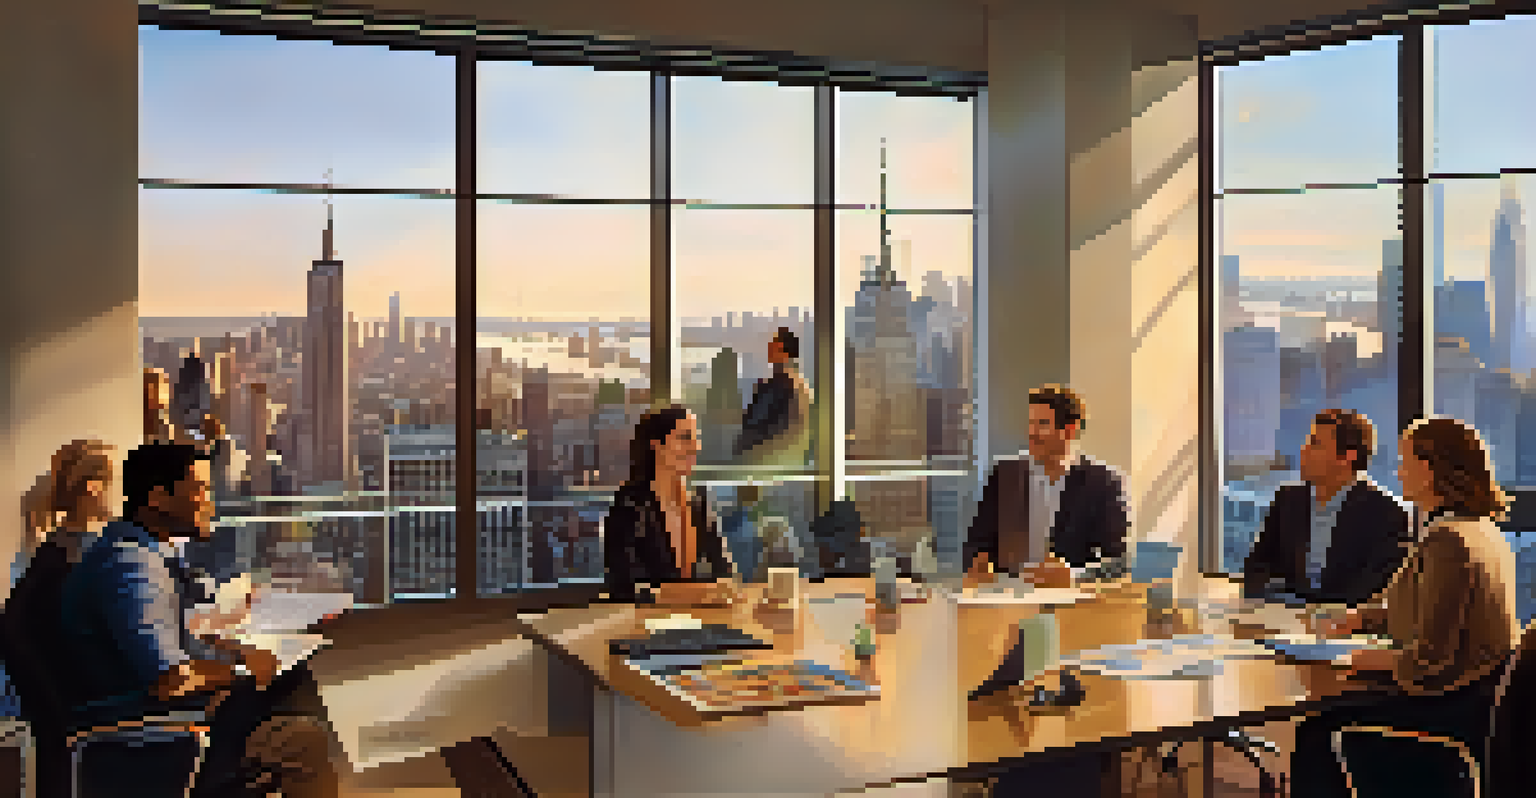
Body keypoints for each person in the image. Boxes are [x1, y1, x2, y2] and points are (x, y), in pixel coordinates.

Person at [58, 442, 338, 798]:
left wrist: (233, 641)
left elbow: (177, 626)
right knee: (306, 737)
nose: (210, 502)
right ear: (158, 497)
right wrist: (246, 670)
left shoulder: (146, 551)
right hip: (152, 732)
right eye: (201, 489)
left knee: (298, 690)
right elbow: (168, 679)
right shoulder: (132, 566)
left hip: (164, 717)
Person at [1291, 417, 1520, 798]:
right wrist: (1361, 618)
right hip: (1478, 700)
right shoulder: (1478, 530)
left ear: (1429, 472)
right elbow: (1421, 605)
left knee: (1318, 726)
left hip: (1453, 706)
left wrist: (1356, 660)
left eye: (1405, 460)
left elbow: (1429, 659)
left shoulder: (1448, 540)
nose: (1397, 471)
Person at [1242, 409, 1412, 606]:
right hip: (1283, 620)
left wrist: (1319, 615)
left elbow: (1376, 587)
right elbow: (1258, 566)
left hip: (1345, 626)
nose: (1303, 450)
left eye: (1315, 444)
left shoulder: (1386, 512)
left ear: (1347, 457)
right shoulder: (1288, 499)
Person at [963, 385, 1130, 581]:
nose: (1031, 433)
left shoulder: (1103, 483)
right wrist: (977, 564)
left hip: (1070, 603)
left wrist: (1073, 576)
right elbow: (975, 543)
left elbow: (1118, 562)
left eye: (1042, 424)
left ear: (1069, 430)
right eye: (1031, 423)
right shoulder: (1005, 475)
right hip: (1007, 599)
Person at [605, 406, 735, 603]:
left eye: (696, 438)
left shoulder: (697, 506)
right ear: (657, 445)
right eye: (684, 438)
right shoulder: (631, 506)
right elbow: (624, 585)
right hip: (643, 625)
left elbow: (724, 571)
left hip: (699, 622)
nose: (695, 447)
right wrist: (691, 595)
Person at [725, 327, 814, 580]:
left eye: (773, 345)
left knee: (749, 539)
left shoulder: (778, 385)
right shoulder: (803, 386)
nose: (768, 348)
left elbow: (754, 427)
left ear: (784, 350)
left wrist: (740, 461)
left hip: (762, 474)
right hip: (789, 472)